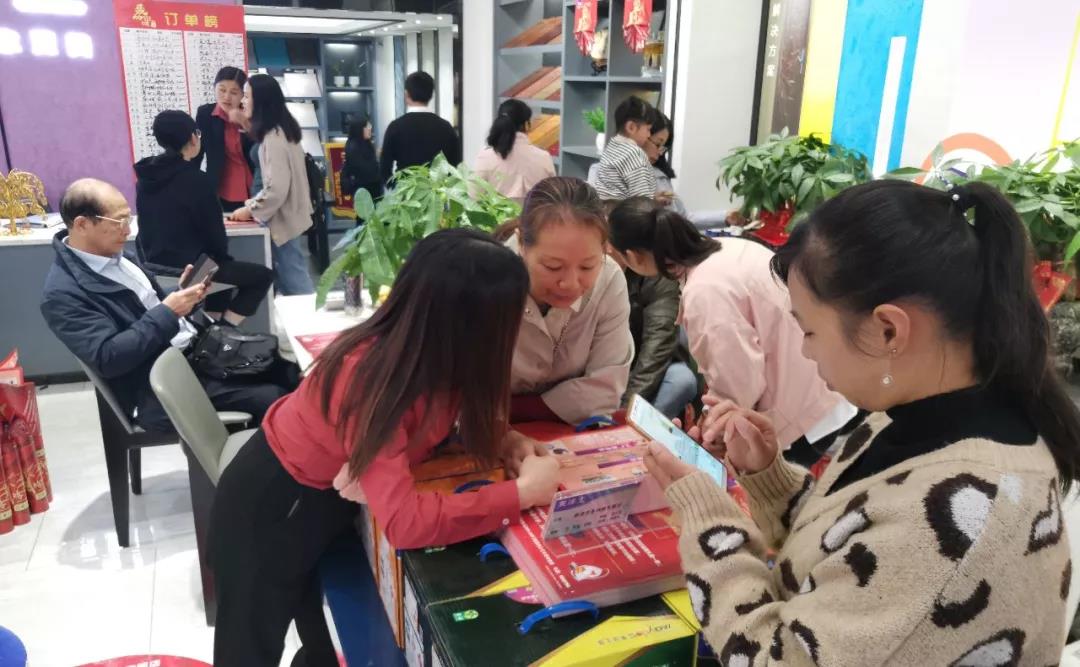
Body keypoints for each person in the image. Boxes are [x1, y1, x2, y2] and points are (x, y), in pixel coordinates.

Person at [643, 180, 1077, 665]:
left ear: (888, 329)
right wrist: (770, 477)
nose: (805, 350)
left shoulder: (964, 523)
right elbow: (852, 543)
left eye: (809, 330)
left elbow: (771, 658)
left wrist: (708, 520)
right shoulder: (911, 417)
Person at [210, 228, 561, 665]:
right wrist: (521, 494)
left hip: (319, 501)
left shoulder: (432, 355)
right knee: (250, 648)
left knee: (318, 632)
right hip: (273, 507)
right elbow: (405, 523)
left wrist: (506, 439)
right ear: (470, 324)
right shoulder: (376, 378)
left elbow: (439, 420)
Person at [40, 179, 293, 433]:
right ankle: (252, 455)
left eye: (128, 219)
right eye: (119, 222)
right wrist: (169, 311)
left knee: (289, 369)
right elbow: (108, 358)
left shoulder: (117, 257)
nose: (127, 231)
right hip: (158, 384)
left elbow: (150, 311)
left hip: (195, 352)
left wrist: (184, 297)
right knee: (275, 398)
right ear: (82, 225)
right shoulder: (63, 294)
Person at [608, 197, 854, 452]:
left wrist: (711, 427)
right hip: (818, 386)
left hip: (800, 412)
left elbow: (738, 384)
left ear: (633, 256)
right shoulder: (728, 248)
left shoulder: (705, 290)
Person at [500, 177, 633, 463]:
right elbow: (457, 394)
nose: (570, 284)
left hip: (570, 437)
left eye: (587, 266)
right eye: (553, 267)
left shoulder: (610, 280)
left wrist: (510, 408)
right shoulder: (486, 277)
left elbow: (605, 389)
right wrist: (496, 422)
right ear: (521, 243)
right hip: (488, 435)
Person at [135, 110, 274, 326]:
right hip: (191, 270)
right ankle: (221, 332)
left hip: (155, 268)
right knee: (261, 276)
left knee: (220, 271)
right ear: (193, 137)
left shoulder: (145, 179)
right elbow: (215, 236)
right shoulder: (198, 181)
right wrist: (221, 256)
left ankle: (210, 330)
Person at [228, 74, 315, 296]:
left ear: (261, 101)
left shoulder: (274, 137)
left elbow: (276, 189)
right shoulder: (279, 130)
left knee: (293, 278)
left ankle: (309, 316)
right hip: (284, 214)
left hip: (280, 216)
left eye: (246, 96)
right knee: (289, 274)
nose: (242, 101)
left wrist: (250, 208)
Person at [379, 71, 461, 185]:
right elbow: (455, 166)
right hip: (437, 193)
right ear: (431, 95)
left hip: (405, 192)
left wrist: (396, 187)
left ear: (406, 95)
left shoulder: (395, 127)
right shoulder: (446, 127)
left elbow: (384, 169)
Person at [195, 66, 255, 213]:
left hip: (255, 187)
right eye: (222, 90)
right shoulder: (205, 114)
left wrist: (246, 123)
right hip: (221, 189)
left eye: (234, 92)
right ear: (214, 88)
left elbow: (264, 149)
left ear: (243, 94)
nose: (227, 97)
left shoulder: (252, 114)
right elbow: (197, 152)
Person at [473, 99, 556, 204]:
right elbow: (552, 197)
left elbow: (474, 197)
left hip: (495, 214)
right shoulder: (543, 157)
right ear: (526, 124)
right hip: (534, 214)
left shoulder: (485, 156)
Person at [593, 96, 657, 201]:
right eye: (648, 129)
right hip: (626, 211)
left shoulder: (612, 146)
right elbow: (642, 203)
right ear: (631, 127)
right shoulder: (634, 153)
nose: (649, 135)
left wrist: (654, 198)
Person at [643, 111, 687, 216]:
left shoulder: (661, 177)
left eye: (663, 148)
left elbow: (682, 217)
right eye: (657, 144)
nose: (660, 152)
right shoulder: (611, 171)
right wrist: (650, 203)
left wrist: (723, 216)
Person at [341, 115, 383, 216]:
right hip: (364, 191)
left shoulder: (366, 143)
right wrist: (377, 160)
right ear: (359, 129)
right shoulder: (354, 147)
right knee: (365, 219)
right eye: (367, 127)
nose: (370, 129)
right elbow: (366, 170)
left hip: (372, 190)